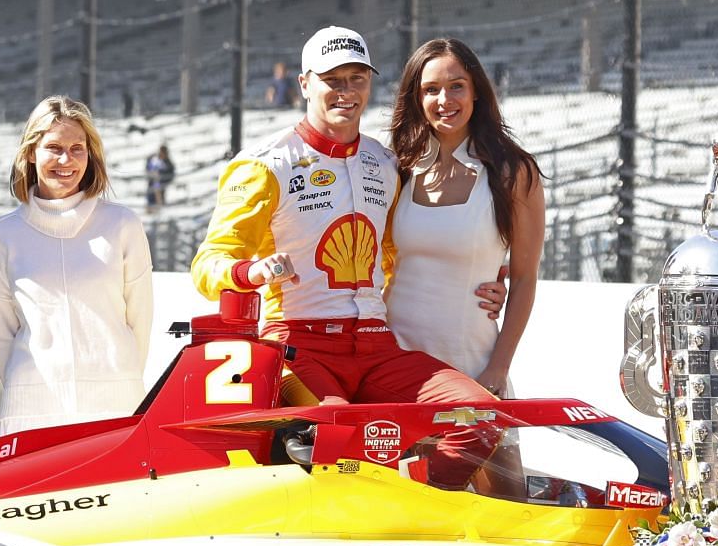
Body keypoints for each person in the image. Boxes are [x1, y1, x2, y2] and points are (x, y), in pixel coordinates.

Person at [191, 25, 490, 406]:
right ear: (304, 84)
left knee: (477, 412)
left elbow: (401, 256)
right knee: (339, 432)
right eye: (332, 80)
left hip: (377, 345)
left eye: (357, 79)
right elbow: (208, 265)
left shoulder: (384, 163)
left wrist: (484, 272)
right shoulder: (263, 164)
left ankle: (417, 470)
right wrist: (253, 272)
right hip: (298, 345)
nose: (346, 91)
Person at [0, 97, 153, 436]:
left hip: (114, 402)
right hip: (32, 409)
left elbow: (140, 321)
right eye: (54, 148)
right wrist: (26, 387)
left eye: (78, 148)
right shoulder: (3, 235)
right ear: (31, 152)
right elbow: (3, 334)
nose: (66, 160)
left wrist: (121, 378)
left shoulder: (122, 225)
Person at [385, 38, 545, 396]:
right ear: (416, 99)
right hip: (394, 366)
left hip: (473, 367)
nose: (445, 100)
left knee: (485, 453)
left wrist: (498, 368)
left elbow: (523, 280)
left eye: (457, 86)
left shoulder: (514, 172)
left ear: (477, 92)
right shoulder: (396, 169)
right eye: (431, 89)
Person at [144, 143, 175, 211]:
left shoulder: (168, 163)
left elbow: (170, 175)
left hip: (160, 185)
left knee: (158, 197)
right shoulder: (155, 160)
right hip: (153, 184)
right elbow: (149, 169)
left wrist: (161, 178)